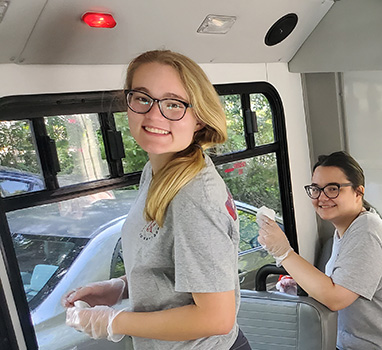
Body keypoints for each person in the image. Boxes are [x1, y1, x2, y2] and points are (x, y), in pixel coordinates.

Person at [63, 50, 250, 350]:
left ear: (199, 119)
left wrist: (113, 321)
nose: (153, 114)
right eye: (142, 98)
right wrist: (121, 287)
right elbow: (170, 265)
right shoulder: (157, 169)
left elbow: (217, 318)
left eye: (173, 104)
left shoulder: (193, 196)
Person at [258, 151, 382, 349]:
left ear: (358, 192)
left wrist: (283, 252)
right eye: (316, 189)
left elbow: (336, 298)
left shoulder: (366, 232)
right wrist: (302, 284)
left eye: (333, 189)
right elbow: (340, 283)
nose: (322, 197)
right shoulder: (346, 230)